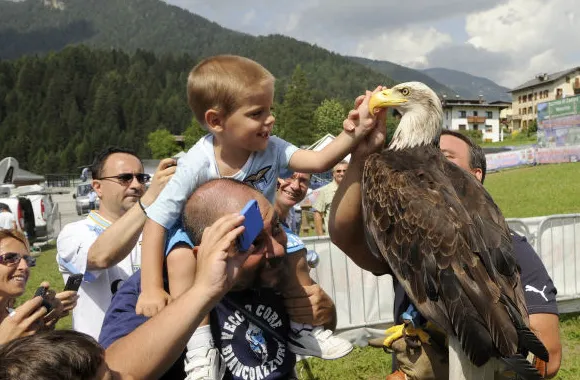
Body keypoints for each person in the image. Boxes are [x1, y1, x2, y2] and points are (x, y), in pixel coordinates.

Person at [137, 55, 371, 377]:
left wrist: (355, 132)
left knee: (295, 251)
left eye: (269, 109)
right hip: (203, 235)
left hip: (260, 231)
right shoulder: (196, 163)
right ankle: (199, 349)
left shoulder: (272, 149)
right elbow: (157, 220)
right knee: (180, 259)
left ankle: (303, 329)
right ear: (216, 121)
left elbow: (318, 161)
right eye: (257, 113)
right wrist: (150, 287)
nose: (270, 120)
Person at [329, 94, 562, 379]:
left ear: (473, 178)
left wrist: (495, 362)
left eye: (445, 159)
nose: (429, 165)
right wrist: (363, 156)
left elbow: (549, 356)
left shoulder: (516, 248)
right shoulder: (415, 227)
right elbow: (344, 235)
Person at [99, 178, 340, 379]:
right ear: (203, 252)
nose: (276, 250)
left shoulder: (275, 274)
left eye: (277, 229)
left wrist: (325, 314)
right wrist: (203, 292)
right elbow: (113, 371)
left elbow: (317, 327)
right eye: (253, 243)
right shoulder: (154, 290)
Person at [56, 147, 175, 340]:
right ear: (97, 187)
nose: (136, 185)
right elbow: (100, 257)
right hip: (101, 357)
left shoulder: (158, 228)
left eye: (141, 178)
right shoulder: (74, 232)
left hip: (157, 349)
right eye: (125, 178)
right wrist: (149, 199)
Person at [0, 229, 77, 346]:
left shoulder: (12, 314)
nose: (24, 266)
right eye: (10, 257)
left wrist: (41, 330)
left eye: (27, 260)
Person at [312, 161, 348, 236]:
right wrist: (321, 236)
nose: (342, 173)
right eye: (338, 171)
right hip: (334, 238)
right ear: (333, 174)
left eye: (345, 171)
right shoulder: (324, 191)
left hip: (353, 237)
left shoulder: (354, 190)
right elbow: (317, 214)